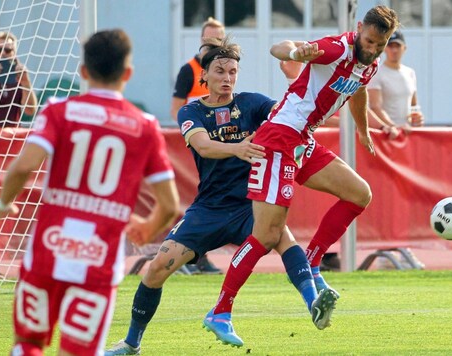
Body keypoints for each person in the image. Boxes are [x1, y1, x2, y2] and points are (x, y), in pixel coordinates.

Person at [105, 37, 333, 354]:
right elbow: (202, 145)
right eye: (220, 71)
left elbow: (294, 117)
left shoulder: (253, 104)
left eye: (232, 72)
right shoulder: (192, 110)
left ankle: (313, 303)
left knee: (285, 240)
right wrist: (238, 148)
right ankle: (132, 343)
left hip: (252, 204)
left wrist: (296, 78)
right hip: (209, 209)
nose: (226, 78)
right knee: (157, 269)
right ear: (205, 75)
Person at [204, 4, 399, 345]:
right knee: (266, 235)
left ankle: (313, 261)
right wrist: (297, 51)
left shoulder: (370, 64)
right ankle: (220, 312)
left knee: (359, 193)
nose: (372, 49)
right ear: (358, 29)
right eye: (369, 41)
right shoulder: (337, 47)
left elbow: (359, 91)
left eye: (379, 45)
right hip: (279, 137)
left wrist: (364, 130)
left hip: (302, 140)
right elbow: (278, 48)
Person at [0, 29, 180, 356]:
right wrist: (148, 225)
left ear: (84, 72)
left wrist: (0, 207)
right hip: (98, 258)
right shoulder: (145, 126)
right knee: (78, 351)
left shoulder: (58, 111)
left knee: (28, 344)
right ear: (128, 74)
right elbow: (171, 205)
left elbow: (21, 167)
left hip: (49, 250)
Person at [170, 17, 225, 275]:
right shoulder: (189, 70)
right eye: (209, 39)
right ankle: (182, 252)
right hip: (196, 147)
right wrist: (195, 133)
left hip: (217, 147)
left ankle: (197, 255)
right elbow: (175, 109)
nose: (214, 43)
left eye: (218, 38)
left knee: (209, 200)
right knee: (196, 201)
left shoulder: (225, 70)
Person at [367, 30, 423, 139]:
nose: (394, 50)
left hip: (406, 133)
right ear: (384, 49)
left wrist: (417, 118)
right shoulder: (377, 73)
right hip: (386, 133)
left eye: (397, 46)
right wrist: (393, 126)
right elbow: (375, 106)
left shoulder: (410, 73)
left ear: (404, 48)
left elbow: (414, 106)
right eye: (390, 46)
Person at [0, 31, 38, 126]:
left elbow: (30, 110)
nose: (3, 54)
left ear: (15, 54)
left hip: (10, 137)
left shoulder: (19, 77)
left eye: (8, 50)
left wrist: (26, 82)